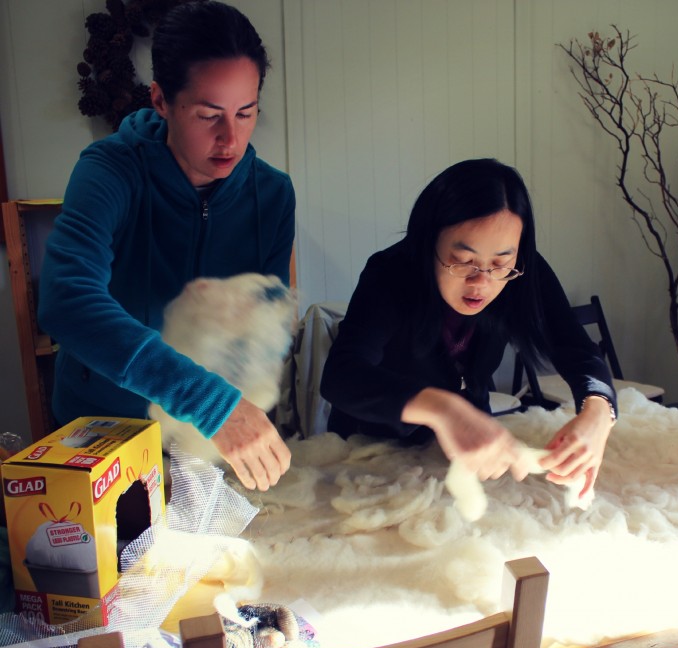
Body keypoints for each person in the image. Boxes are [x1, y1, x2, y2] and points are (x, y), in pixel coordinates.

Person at [38, 1, 295, 492]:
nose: (230, 137)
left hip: (205, 443)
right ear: (159, 100)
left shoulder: (273, 194)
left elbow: (264, 319)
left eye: (246, 112)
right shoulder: (109, 171)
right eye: (208, 114)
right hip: (107, 432)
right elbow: (67, 301)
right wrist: (211, 403)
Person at [320, 158, 617, 496]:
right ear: (429, 240)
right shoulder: (390, 274)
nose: (482, 282)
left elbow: (577, 350)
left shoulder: (524, 271)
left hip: (461, 462)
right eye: (463, 262)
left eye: (500, 264)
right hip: (370, 453)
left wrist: (598, 411)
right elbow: (342, 376)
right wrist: (441, 408)